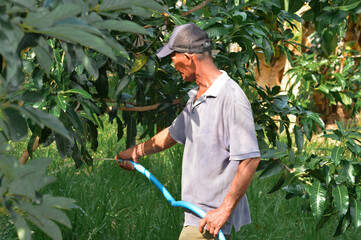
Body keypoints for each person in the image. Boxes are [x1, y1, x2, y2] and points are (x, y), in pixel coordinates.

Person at [115, 23, 261, 240]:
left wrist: (223, 211)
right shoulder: (197, 96)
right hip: (196, 215)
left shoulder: (230, 97)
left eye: (174, 55)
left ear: (189, 57)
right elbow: (173, 134)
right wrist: (134, 153)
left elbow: (250, 159)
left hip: (208, 220)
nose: (172, 61)